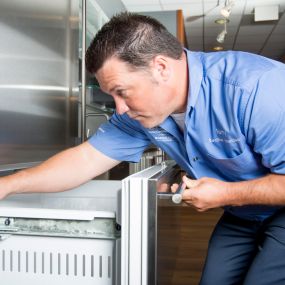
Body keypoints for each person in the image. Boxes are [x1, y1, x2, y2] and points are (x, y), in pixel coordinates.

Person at [1, 12, 285, 284]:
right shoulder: (143, 114)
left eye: (121, 92)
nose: (120, 109)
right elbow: (85, 159)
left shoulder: (258, 89)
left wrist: (225, 192)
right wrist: (9, 184)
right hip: (241, 213)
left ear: (160, 67)